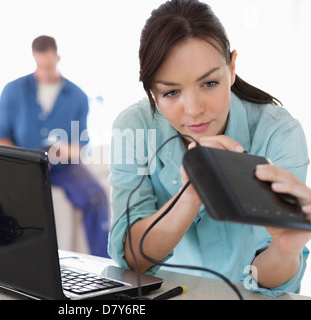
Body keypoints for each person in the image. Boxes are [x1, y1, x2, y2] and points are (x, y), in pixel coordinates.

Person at [108, 0, 310, 297]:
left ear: (232, 68)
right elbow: (131, 260)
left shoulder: (279, 134)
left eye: (210, 83)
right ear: (152, 90)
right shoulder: (133, 127)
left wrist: (285, 250)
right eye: (171, 92)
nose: (193, 110)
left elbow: (268, 282)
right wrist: (189, 195)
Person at [0, 35, 109, 257]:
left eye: (49, 66)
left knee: (96, 195)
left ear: (58, 58)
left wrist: (63, 150)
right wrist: (19, 157)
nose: (44, 72)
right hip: (25, 165)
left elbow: (81, 146)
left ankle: (105, 263)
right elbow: (0, 135)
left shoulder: (78, 97)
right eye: (39, 66)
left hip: (64, 166)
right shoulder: (13, 91)